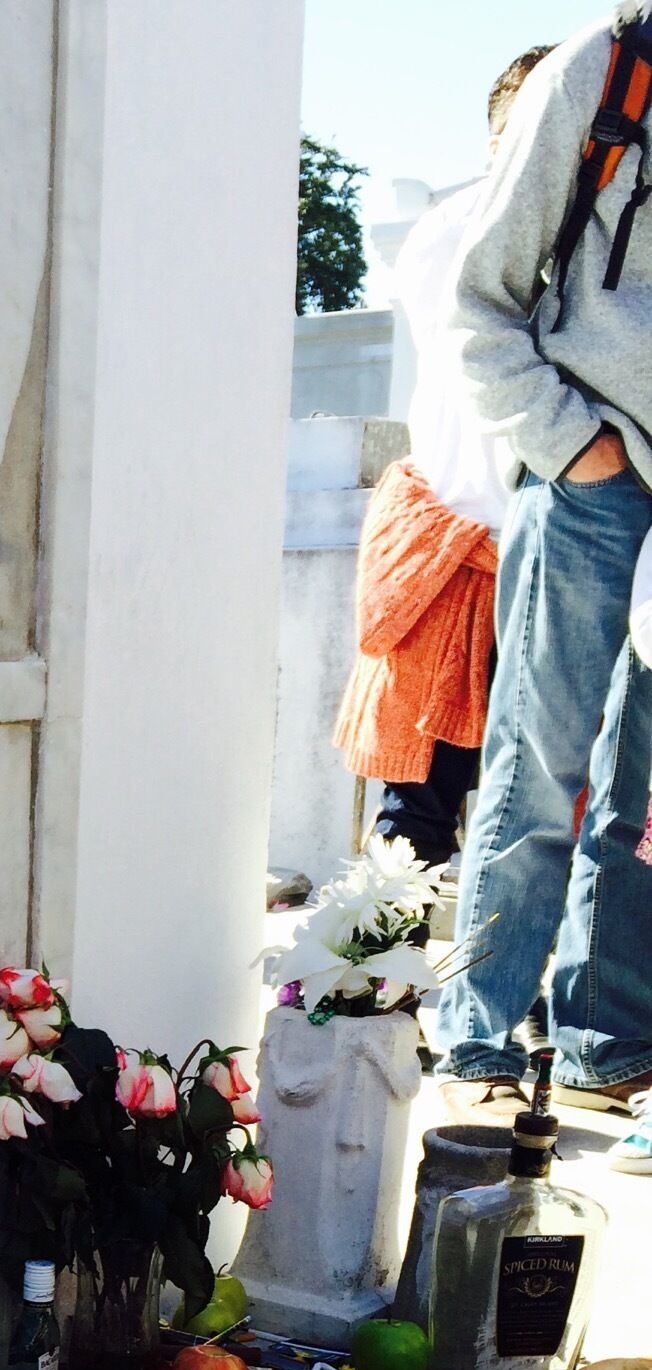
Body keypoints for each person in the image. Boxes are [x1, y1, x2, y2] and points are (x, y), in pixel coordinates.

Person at [440, 12, 652, 1118]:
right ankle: (475, 1034)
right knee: (544, 760)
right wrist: (582, 450)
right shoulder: (599, 70)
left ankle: (601, 1038)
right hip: (591, 476)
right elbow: (480, 304)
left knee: (643, 787)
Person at [342, 49, 554, 869]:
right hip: (462, 539)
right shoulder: (458, 228)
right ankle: (378, 978)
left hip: (541, 542)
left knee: (535, 800)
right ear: (497, 136)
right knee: (424, 806)